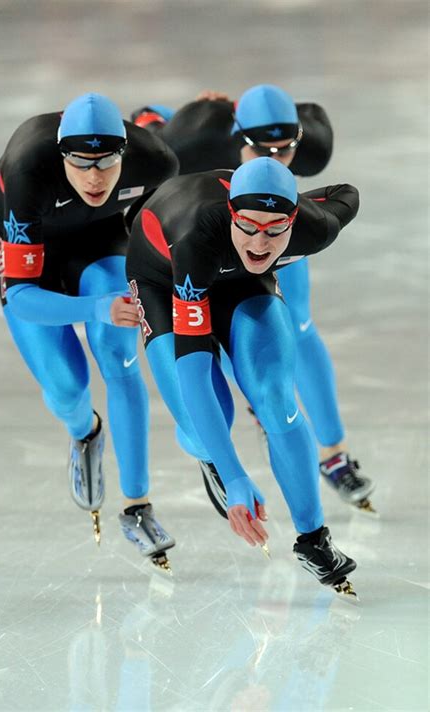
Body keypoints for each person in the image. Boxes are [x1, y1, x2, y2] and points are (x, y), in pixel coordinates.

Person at [131, 85, 376, 514]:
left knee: (295, 326)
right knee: (211, 338)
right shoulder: (195, 137)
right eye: (262, 149)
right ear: (236, 135)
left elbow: (336, 192)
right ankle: (241, 415)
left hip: (270, 231)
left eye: (286, 152)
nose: (273, 159)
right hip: (201, 242)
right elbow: (143, 149)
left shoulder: (312, 146)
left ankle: (333, 453)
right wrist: (153, 119)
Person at [126, 156, 360, 598]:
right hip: (164, 279)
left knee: (275, 397)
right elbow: (193, 370)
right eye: (248, 225)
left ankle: (314, 539)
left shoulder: (316, 227)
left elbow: (348, 194)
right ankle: (209, 456)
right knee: (204, 419)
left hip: (239, 285)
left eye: (275, 230)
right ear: (231, 213)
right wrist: (233, 476)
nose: (260, 242)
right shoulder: (197, 236)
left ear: (295, 220)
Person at [0, 92, 178, 570]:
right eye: (81, 163)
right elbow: (24, 299)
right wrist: (95, 306)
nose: (94, 177)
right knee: (66, 384)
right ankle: (85, 432)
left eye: (106, 163)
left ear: (125, 155)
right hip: (35, 252)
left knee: (119, 353)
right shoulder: (28, 169)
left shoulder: (155, 161)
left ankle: (137, 505)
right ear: (60, 155)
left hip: (100, 237)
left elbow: (155, 234)